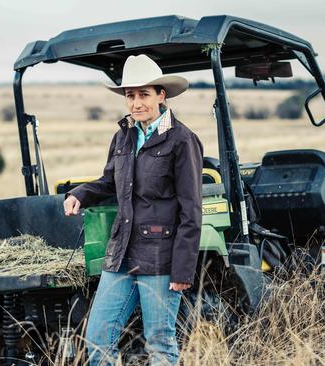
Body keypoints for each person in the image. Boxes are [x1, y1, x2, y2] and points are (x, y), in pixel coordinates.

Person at [63, 54, 203, 365]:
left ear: (161, 95)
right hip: (122, 250)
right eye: (130, 96)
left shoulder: (182, 141)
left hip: (160, 256)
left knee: (160, 343)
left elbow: (192, 212)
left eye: (144, 94)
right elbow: (109, 181)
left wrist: (182, 270)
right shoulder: (123, 136)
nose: (136, 103)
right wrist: (80, 195)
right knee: (98, 340)